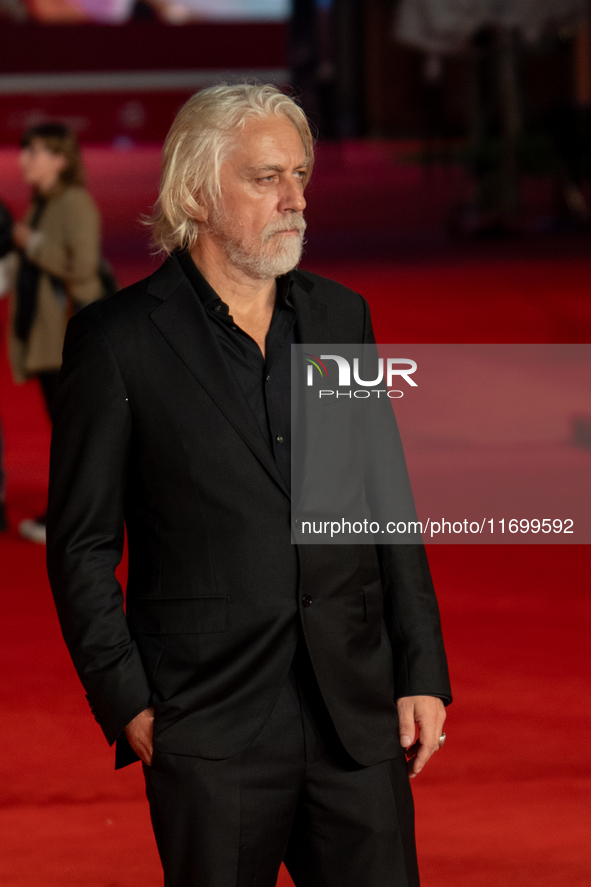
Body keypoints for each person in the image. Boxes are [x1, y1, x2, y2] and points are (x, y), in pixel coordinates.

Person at [47, 84, 451, 887]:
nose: (296, 199)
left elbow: (384, 502)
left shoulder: (341, 318)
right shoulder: (118, 341)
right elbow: (82, 543)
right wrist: (129, 702)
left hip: (354, 719)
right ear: (197, 190)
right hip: (208, 723)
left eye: (299, 175)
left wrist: (420, 668)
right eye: (266, 178)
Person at [9, 123, 102, 544]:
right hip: (49, 337)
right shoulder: (41, 204)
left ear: (60, 160)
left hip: (69, 335)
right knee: (67, 429)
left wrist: (32, 244)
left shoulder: (75, 203)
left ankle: (73, 518)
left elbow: (82, 267)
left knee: (75, 433)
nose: (25, 159)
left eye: (35, 151)